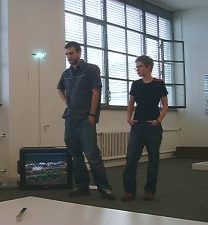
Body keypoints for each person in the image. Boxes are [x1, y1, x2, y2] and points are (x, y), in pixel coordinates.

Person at [57, 41, 115, 200]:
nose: (69, 57)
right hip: (70, 119)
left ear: (79, 53)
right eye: (67, 54)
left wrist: (92, 115)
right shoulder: (66, 74)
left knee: (91, 154)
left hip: (85, 119)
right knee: (75, 154)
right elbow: (59, 88)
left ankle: (104, 188)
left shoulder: (91, 69)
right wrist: (67, 101)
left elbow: (96, 91)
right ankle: (82, 186)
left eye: (71, 53)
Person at [122, 55, 168, 202]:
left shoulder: (159, 83)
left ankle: (149, 191)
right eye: (136, 67)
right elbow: (131, 104)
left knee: (153, 161)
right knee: (131, 160)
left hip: (153, 128)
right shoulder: (136, 84)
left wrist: (159, 120)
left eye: (140, 66)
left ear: (149, 67)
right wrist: (129, 118)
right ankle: (129, 191)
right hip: (137, 127)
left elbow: (165, 106)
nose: (138, 70)